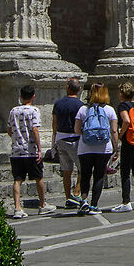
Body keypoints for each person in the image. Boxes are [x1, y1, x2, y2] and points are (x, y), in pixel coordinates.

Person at [5, 83, 46, 217]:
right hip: (31, 149)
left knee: (18, 179)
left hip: (17, 150)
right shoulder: (34, 111)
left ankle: (17, 207)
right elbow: (35, 129)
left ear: (21, 96)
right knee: (38, 177)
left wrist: (17, 138)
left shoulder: (13, 111)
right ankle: (42, 204)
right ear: (33, 96)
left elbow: (9, 130)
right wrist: (40, 149)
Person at [74, 83, 117, 212]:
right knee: (98, 176)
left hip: (85, 147)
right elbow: (114, 131)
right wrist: (116, 148)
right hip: (104, 147)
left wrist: (87, 135)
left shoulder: (83, 109)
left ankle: (84, 200)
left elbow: (76, 130)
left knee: (85, 174)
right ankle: (94, 205)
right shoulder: (109, 110)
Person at [52, 77, 86, 209]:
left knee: (66, 171)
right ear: (79, 89)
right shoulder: (81, 105)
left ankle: (67, 197)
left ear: (67, 88)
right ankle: (76, 193)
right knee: (82, 169)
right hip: (75, 139)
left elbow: (54, 123)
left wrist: (54, 138)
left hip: (61, 139)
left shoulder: (58, 103)